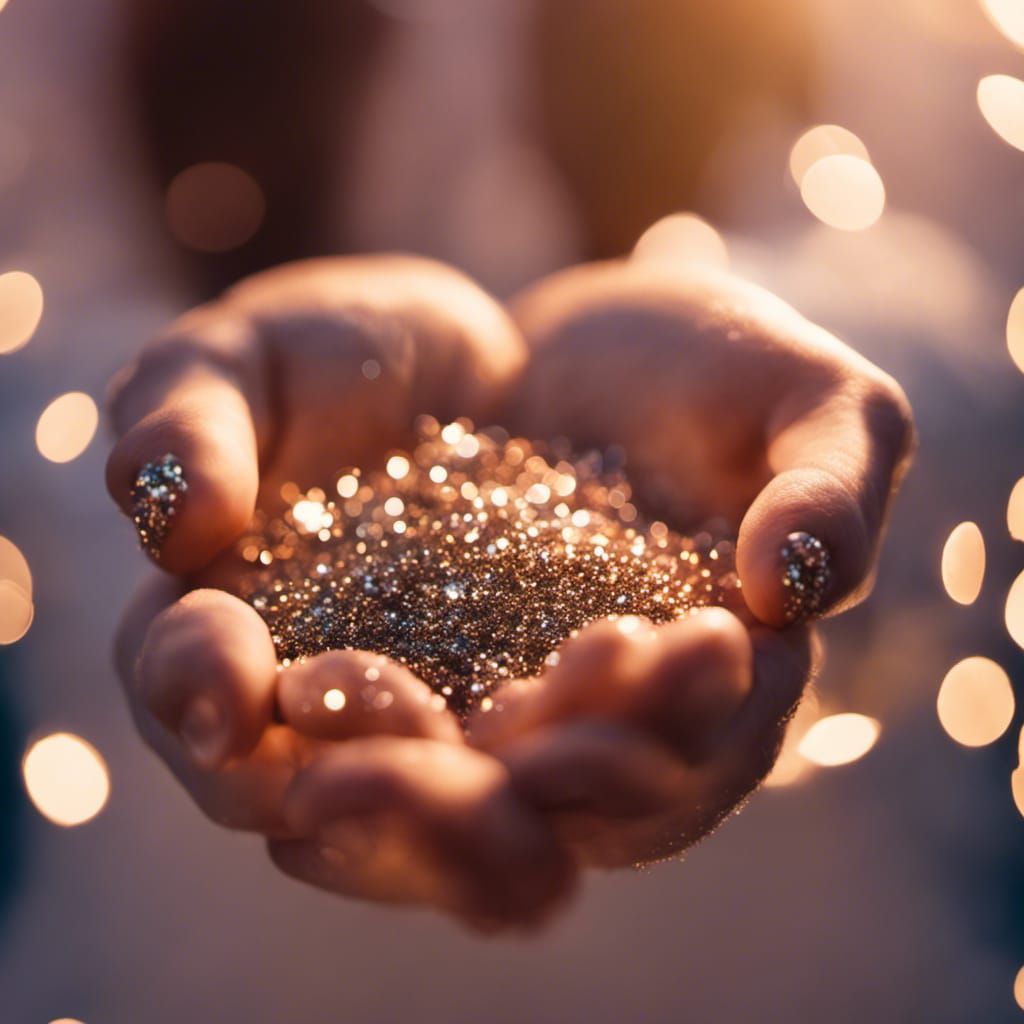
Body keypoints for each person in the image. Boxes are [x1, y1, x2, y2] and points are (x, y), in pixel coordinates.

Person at [104, 3, 914, 931]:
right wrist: (198, 413)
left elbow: (958, 249)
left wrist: (787, 393)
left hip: (794, 898)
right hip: (198, 911)